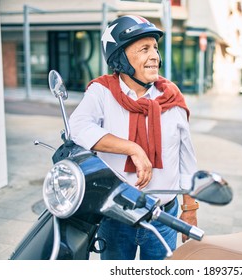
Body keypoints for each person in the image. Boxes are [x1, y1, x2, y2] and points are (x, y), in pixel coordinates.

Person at [69, 15, 199, 260]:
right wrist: (131, 148)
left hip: (164, 218)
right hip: (116, 217)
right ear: (120, 57)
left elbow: (186, 160)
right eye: (144, 49)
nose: (155, 56)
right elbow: (77, 127)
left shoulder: (172, 99)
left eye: (155, 48)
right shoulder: (102, 92)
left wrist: (190, 208)